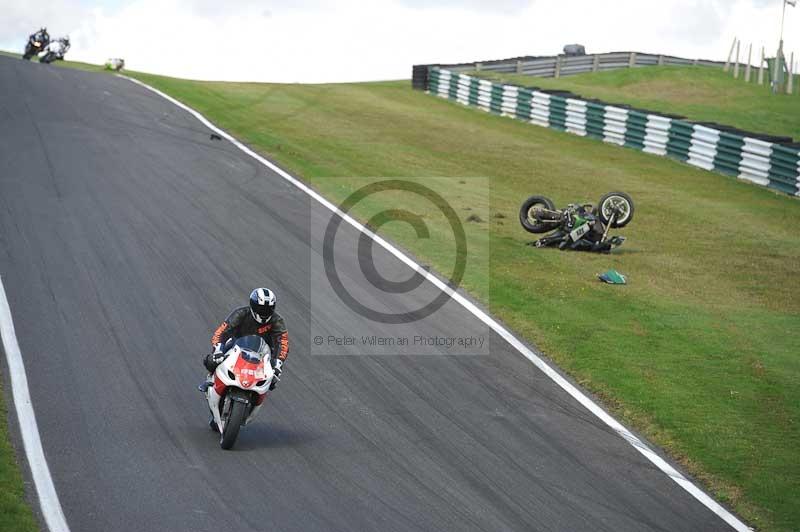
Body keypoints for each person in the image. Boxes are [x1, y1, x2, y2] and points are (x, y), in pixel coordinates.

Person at [199, 288, 289, 392]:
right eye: (261, 309)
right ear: (253, 306)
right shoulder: (241, 314)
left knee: (273, 378)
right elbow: (222, 331)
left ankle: (259, 391)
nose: (264, 312)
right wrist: (218, 349)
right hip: (237, 344)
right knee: (212, 360)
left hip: (264, 352)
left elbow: (283, 343)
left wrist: (278, 364)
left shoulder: (277, 321)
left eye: (268, 309)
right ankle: (211, 379)